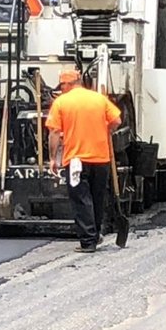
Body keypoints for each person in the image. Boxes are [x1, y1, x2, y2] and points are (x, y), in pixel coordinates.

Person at [46, 68, 121, 254]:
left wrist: (52, 158)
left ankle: (88, 241)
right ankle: (95, 235)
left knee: (81, 198)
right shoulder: (98, 99)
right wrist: (106, 130)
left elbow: (54, 132)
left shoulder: (61, 102)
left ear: (66, 84)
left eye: (61, 86)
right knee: (97, 197)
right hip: (101, 158)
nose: (61, 89)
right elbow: (117, 121)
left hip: (76, 160)